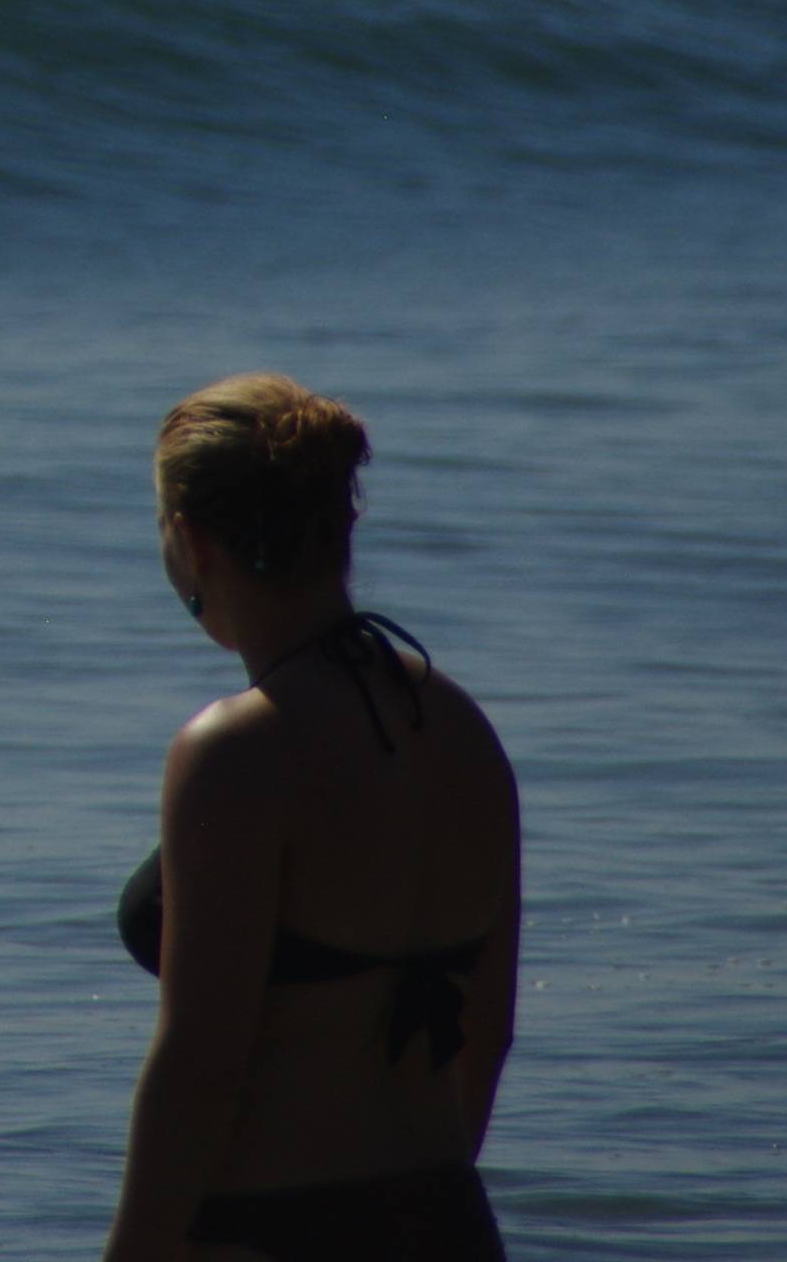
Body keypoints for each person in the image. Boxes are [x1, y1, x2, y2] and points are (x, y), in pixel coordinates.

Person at [102, 374, 521, 1262]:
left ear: (191, 540)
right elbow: (487, 1025)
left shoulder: (234, 752)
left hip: (272, 1228)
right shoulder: (461, 729)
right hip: (445, 1216)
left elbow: (200, 1065)